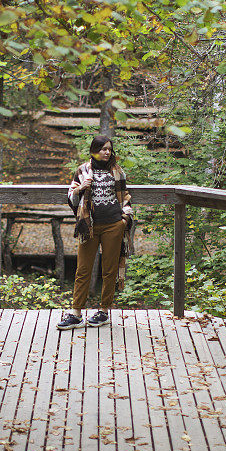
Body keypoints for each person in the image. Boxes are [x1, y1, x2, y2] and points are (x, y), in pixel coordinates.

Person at [58, 135, 135, 330]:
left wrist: (124, 219)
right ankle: (76, 313)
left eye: (109, 149)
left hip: (113, 226)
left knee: (109, 270)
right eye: (102, 149)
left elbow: (125, 198)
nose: (107, 152)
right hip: (89, 226)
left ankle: (104, 311)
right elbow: (71, 197)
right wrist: (80, 189)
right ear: (94, 150)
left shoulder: (118, 172)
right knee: (83, 269)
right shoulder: (83, 170)